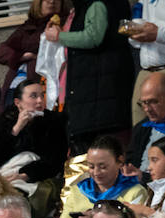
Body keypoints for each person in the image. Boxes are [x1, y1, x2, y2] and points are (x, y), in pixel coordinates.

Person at [46, 0, 134, 151]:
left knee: (102, 148)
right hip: (99, 91)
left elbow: (93, 37)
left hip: (99, 93)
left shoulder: (96, 4)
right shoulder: (84, 6)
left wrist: (60, 36)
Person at [53, 136, 150, 218]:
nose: (96, 172)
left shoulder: (135, 192)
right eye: (91, 167)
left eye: (103, 167)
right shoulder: (78, 191)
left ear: (120, 161)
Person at [0, 79, 69, 186]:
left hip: (38, 179)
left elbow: (55, 160)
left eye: (42, 95)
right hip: (5, 172)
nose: (40, 100)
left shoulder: (53, 121)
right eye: (33, 96)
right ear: (18, 103)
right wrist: (17, 128)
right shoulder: (6, 120)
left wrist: (26, 175)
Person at [0, 0, 66, 92]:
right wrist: (23, 56)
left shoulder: (65, 25)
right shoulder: (28, 26)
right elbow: (1, 54)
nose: (52, 1)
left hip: (45, 85)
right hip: (17, 85)